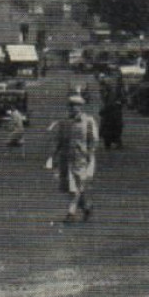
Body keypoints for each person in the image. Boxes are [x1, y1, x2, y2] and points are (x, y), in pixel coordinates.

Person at [47, 94, 100, 223]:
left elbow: (94, 140)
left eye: (76, 106)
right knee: (72, 187)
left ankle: (71, 213)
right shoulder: (64, 122)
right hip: (66, 159)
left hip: (81, 159)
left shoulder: (88, 121)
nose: (74, 108)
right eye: (71, 106)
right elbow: (58, 140)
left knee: (76, 186)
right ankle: (86, 207)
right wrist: (53, 157)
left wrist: (89, 155)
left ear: (81, 107)